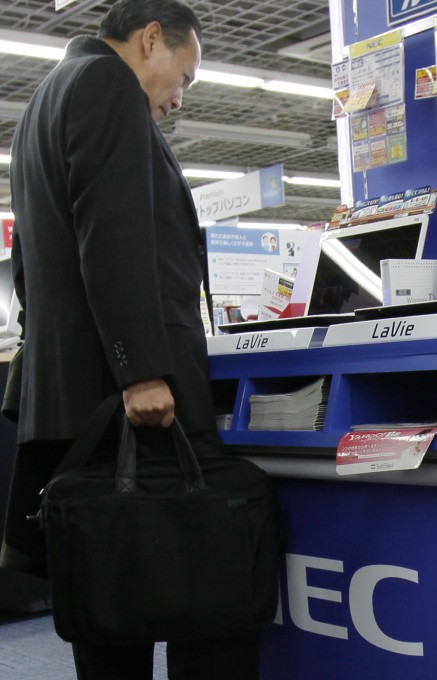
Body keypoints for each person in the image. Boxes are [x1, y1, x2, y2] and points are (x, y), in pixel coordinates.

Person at [2, 1, 261, 678]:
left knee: (110, 602)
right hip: (131, 405)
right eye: (187, 75)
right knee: (206, 591)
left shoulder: (39, 108)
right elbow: (110, 235)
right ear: (151, 40)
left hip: (75, 405)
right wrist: (139, 370)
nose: (180, 97)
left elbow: (30, 270)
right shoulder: (104, 84)